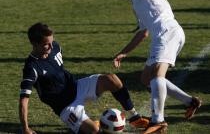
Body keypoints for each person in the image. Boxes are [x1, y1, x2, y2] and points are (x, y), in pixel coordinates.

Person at [19, 22, 150, 134]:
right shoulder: (32, 67)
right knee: (93, 131)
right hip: (66, 106)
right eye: (47, 44)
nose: (52, 47)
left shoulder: (55, 48)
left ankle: (135, 117)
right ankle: (85, 125)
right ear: (34, 44)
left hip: (77, 86)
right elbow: (24, 100)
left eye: (52, 42)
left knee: (111, 79)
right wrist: (26, 128)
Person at [113, 0, 201, 133]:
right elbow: (143, 33)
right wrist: (124, 52)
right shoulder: (136, 4)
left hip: (167, 33)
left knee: (157, 74)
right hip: (163, 36)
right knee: (146, 78)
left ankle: (158, 121)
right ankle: (190, 102)